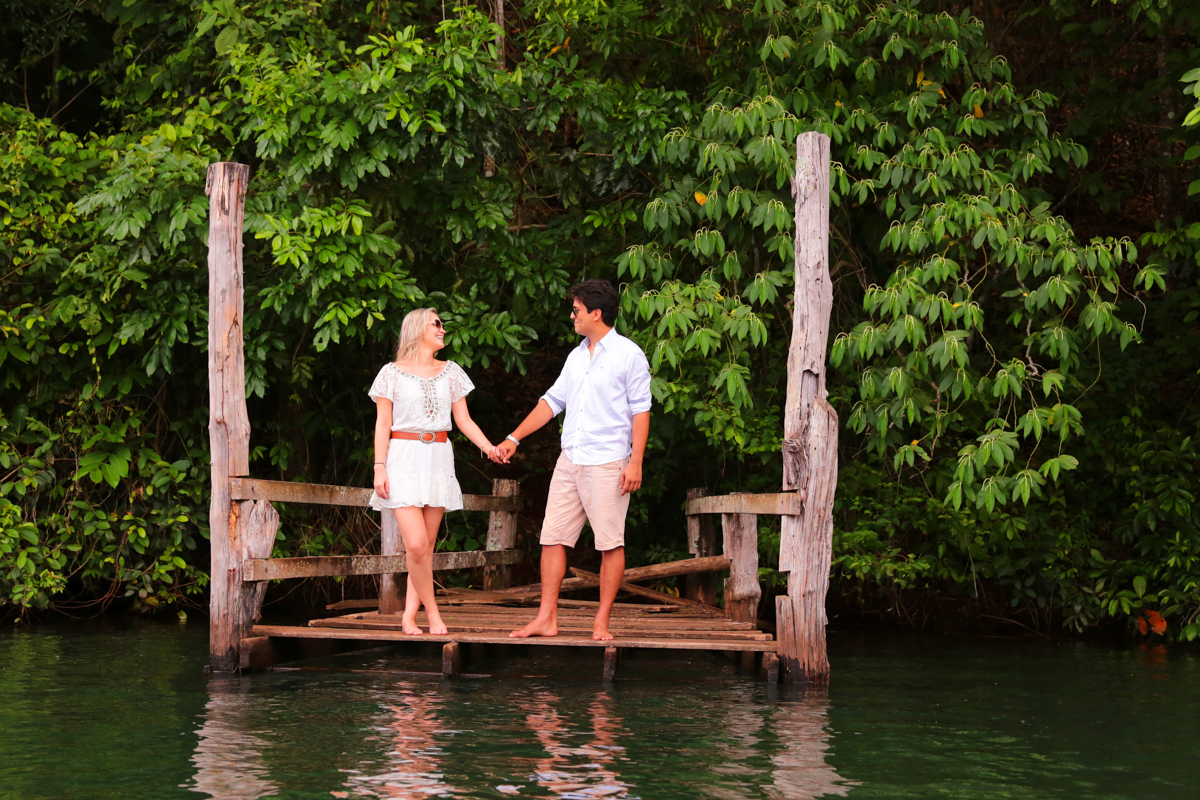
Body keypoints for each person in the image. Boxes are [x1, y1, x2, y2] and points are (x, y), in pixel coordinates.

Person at [493, 279, 652, 641]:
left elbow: (641, 412)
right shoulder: (576, 355)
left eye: (577, 310)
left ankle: (601, 622)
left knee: (609, 543)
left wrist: (636, 461)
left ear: (596, 313)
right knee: (552, 538)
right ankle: (546, 618)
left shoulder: (629, 354)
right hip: (571, 458)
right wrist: (514, 438)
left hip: (609, 461)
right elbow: (552, 402)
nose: (572, 316)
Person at [369, 308, 496, 636]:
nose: (443, 329)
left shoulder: (451, 372)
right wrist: (379, 467)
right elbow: (383, 423)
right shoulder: (391, 373)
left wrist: (489, 447)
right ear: (417, 329)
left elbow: (464, 420)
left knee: (425, 547)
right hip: (403, 457)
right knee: (415, 544)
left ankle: (409, 616)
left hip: (438, 457)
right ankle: (434, 614)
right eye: (436, 324)